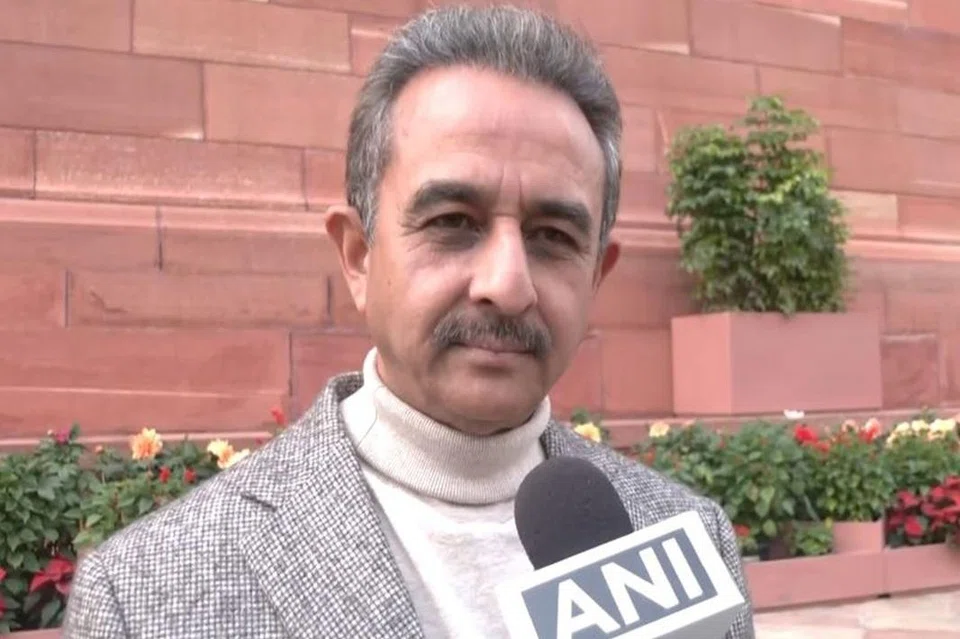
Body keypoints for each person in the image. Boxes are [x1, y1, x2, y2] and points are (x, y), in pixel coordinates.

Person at [64, 5, 755, 638]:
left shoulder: (689, 538)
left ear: (598, 273)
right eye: (454, 222)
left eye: (552, 236)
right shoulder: (144, 597)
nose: (507, 285)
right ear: (358, 256)